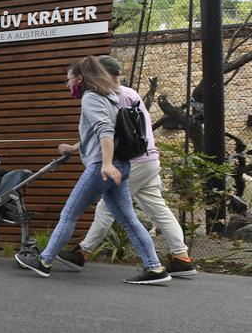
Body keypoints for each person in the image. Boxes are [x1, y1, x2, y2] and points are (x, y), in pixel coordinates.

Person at [15, 56, 170, 284]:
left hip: (102, 167)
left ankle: (44, 262)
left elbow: (105, 131)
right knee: (128, 219)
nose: (68, 85)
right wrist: (74, 148)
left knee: (68, 215)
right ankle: (155, 268)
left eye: (68, 80)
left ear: (80, 78)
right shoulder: (110, 96)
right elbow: (103, 131)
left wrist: (106, 164)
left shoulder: (90, 97)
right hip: (122, 165)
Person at [54, 55, 196, 277]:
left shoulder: (113, 96)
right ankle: (181, 257)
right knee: (158, 209)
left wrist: (76, 150)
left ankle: (82, 253)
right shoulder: (131, 93)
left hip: (133, 161)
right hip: (150, 158)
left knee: (107, 208)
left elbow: (107, 131)